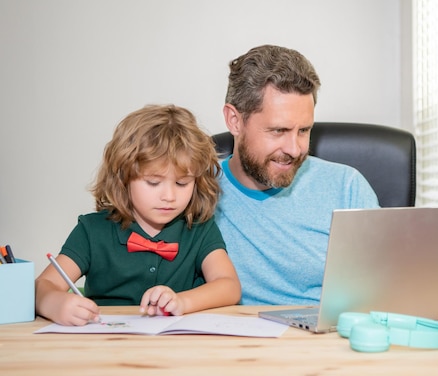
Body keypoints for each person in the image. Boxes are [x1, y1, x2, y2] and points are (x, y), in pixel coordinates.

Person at [35, 104, 241, 326]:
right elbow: (43, 285)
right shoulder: (91, 231)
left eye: (182, 183)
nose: (169, 196)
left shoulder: (200, 228)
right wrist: (55, 304)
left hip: (177, 349)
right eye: (153, 182)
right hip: (106, 346)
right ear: (123, 177)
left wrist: (182, 302)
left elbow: (228, 286)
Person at [215, 44, 379, 306]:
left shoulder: (347, 187)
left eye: (304, 130)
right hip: (232, 342)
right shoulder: (192, 189)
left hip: (321, 342)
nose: (294, 149)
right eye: (278, 130)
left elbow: (385, 290)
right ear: (234, 120)